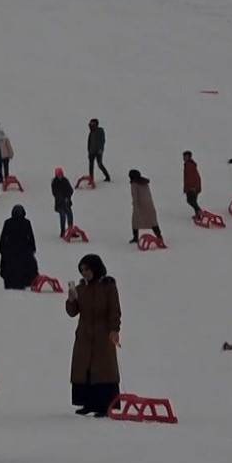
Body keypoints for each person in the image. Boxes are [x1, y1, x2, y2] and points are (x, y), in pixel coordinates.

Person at [66, 254, 121, 417]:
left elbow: (114, 310)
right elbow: (72, 312)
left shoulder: (108, 286)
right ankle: (87, 403)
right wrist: (71, 300)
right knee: (85, 370)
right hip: (84, 337)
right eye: (82, 270)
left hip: (103, 336)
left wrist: (114, 329)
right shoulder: (81, 288)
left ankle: (104, 405)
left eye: (87, 269)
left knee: (103, 370)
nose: (85, 273)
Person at [0, 205, 39, 290]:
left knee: (10, 266)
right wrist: (32, 248)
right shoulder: (26, 223)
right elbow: (30, 236)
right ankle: (23, 281)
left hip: (10, 249)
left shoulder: (8, 222)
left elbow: (3, 237)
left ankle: (11, 282)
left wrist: (2, 248)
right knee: (24, 266)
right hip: (23, 249)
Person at [128, 170, 163, 244]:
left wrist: (135, 206)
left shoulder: (134, 184)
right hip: (149, 204)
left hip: (140, 205)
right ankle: (159, 235)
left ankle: (135, 237)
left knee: (135, 221)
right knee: (152, 221)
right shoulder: (144, 182)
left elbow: (135, 196)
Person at [51, 167, 75, 238]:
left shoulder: (65, 181)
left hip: (67, 203)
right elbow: (55, 193)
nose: (60, 176)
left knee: (70, 216)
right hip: (60, 204)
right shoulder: (54, 183)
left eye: (61, 174)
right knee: (63, 217)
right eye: (59, 175)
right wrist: (62, 199)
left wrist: (68, 197)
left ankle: (71, 231)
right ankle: (63, 232)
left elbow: (70, 190)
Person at [86, 118, 111, 183]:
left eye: (93, 123)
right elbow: (89, 142)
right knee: (91, 166)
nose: (91, 125)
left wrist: (100, 150)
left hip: (98, 152)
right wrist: (89, 151)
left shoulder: (100, 131)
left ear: (96, 124)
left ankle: (107, 176)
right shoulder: (91, 132)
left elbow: (102, 141)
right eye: (91, 123)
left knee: (100, 164)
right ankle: (91, 180)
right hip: (91, 152)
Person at [183, 151, 203, 218]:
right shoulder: (188, 164)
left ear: (189, 157)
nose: (184, 158)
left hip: (193, 187)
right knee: (193, 201)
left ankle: (199, 212)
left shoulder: (189, 165)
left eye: (186, 156)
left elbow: (191, 177)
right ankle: (198, 214)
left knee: (191, 201)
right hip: (193, 186)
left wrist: (192, 187)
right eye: (184, 156)